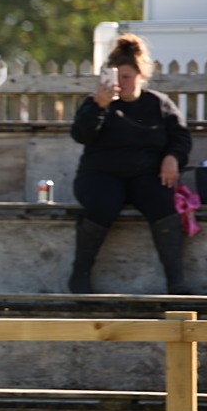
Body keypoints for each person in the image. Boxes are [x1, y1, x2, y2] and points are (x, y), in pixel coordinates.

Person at [69, 34, 194, 294]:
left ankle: (176, 282)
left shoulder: (158, 103)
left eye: (126, 76)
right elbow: (81, 135)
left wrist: (173, 158)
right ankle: (79, 276)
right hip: (100, 174)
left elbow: (180, 137)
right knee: (104, 203)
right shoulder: (97, 103)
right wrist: (98, 107)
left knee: (163, 203)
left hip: (146, 175)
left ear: (140, 75)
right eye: (116, 77)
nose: (120, 83)